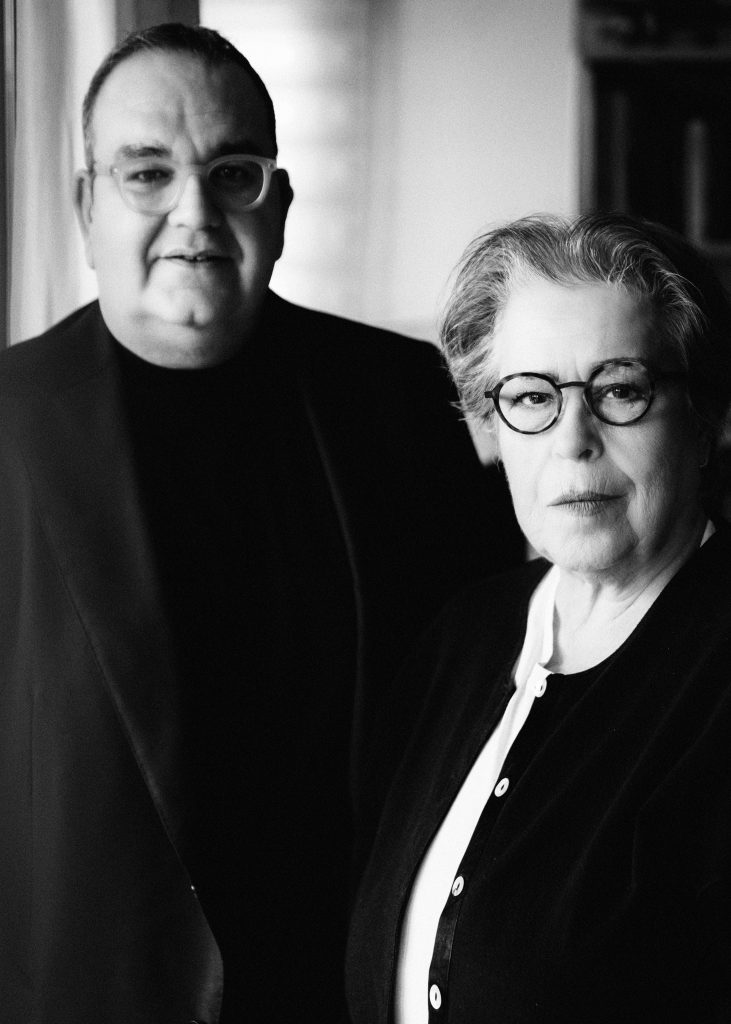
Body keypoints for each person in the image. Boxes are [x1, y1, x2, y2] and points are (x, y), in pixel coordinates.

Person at [0, 22, 523, 1024]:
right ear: (87, 204)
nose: (193, 213)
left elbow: (486, 698)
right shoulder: (8, 422)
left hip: (353, 982)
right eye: (147, 173)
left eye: (232, 174)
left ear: (277, 205)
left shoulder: (401, 399)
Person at [346, 212, 731, 1023]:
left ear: (704, 418)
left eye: (620, 389)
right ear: (489, 430)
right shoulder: (463, 637)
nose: (572, 440)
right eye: (530, 397)